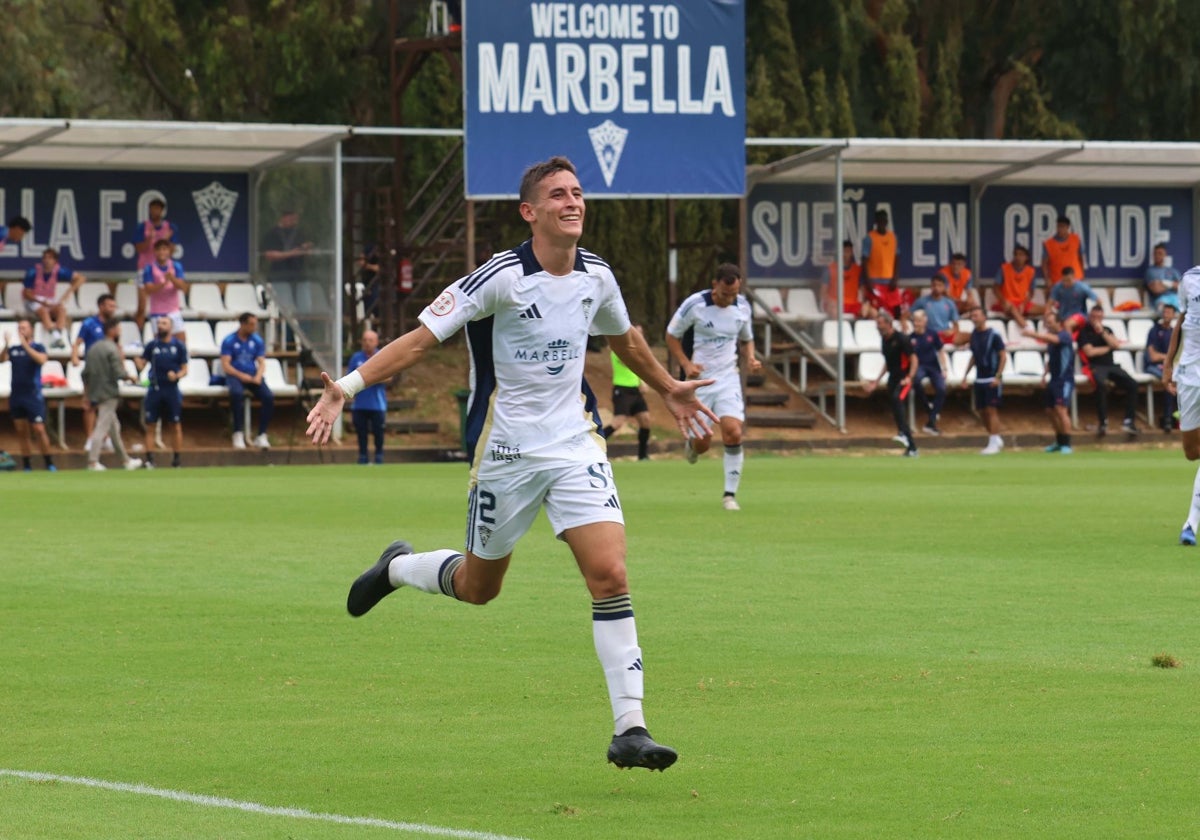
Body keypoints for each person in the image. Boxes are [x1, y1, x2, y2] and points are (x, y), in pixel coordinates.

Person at [304, 155, 716, 771]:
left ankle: (630, 727)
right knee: (478, 587)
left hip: (576, 444)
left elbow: (624, 335)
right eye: (558, 195)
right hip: (506, 452)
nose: (573, 202)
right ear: (530, 212)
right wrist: (348, 385)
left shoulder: (597, 275)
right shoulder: (498, 277)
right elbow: (420, 340)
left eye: (578, 193)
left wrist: (666, 386)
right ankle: (397, 569)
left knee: (611, 575)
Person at [666, 262, 761, 511]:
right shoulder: (694, 305)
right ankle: (693, 448)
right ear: (715, 285)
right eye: (725, 294)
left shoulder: (742, 306)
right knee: (703, 441)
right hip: (699, 382)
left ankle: (730, 495)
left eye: (734, 294)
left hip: (728, 378)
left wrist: (750, 357)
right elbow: (671, 335)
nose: (729, 299)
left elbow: (747, 339)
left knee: (733, 432)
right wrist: (686, 364)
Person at [1162, 265, 1200, 545]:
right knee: (1191, 451)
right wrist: (1167, 363)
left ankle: (1190, 525)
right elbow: (1182, 322)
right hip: (1188, 375)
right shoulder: (1189, 279)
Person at [81, 317, 143, 471]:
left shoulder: (93, 348)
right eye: (118, 328)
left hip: (96, 391)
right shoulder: (112, 348)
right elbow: (118, 372)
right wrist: (131, 376)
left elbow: (85, 373)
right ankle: (93, 461)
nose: (119, 331)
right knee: (102, 426)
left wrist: (87, 394)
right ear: (112, 330)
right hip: (109, 392)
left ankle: (125, 461)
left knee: (114, 427)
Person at [0, 318, 56, 472]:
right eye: (19, 328)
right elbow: (2, 359)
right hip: (17, 395)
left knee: (39, 429)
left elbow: (41, 360)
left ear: (31, 329)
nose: (21, 330)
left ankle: (49, 462)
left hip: (33, 395)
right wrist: (6, 344)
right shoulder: (14, 349)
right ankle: (27, 464)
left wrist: (26, 345)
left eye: (24, 327)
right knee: (21, 430)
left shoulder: (38, 347)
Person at [1076, 305, 1140, 437]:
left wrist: (1103, 333)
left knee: (1132, 384)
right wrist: (1108, 348)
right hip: (1095, 366)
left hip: (1111, 366)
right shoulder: (1084, 332)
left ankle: (1129, 421)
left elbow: (1116, 345)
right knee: (1101, 385)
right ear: (1089, 317)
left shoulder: (1107, 330)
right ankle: (1102, 422)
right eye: (1093, 317)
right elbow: (1090, 352)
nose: (1096, 320)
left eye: (1099, 317)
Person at [70, 292, 120, 452]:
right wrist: (75, 357)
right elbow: (77, 342)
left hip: (109, 370)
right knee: (90, 404)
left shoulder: (113, 325)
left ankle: (106, 437)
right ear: (101, 306)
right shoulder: (89, 323)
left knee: (108, 406)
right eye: (110, 305)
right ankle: (90, 438)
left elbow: (119, 347)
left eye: (114, 306)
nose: (113, 309)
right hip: (93, 370)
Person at [863, 311, 918, 457]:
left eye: (880, 324)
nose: (878, 327)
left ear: (889, 323)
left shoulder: (901, 339)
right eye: (877, 324)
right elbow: (888, 363)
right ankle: (912, 447)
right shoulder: (884, 340)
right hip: (893, 379)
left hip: (904, 378)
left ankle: (902, 433)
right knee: (896, 408)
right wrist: (877, 380)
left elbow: (913, 358)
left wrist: (910, 377)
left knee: (897, 400)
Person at [1023, 310, 1076, 454]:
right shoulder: (1053, 340)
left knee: (1061, 409)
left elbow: (1053, 340)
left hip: (1064, 380)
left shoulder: (1064, 336)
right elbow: (1050, 360)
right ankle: (1059, 441)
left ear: (1059, 323)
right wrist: (1044, 375)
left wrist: (1031, 334)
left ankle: (1067, 443)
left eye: (1050, 322)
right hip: (1053, 379)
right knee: (1049, 410)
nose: (1047, 325)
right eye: (1047, 323)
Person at [139, 315, 188, 468]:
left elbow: (185, 369)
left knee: (175, 424)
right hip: (155, 388)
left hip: (171, 389)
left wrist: (177, 375)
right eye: (159, 323)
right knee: (151, 424)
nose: (161, 326)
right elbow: (142, 365)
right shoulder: (152, 346)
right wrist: (136, 360)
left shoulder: (178, 346)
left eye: (164, 323)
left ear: (171, 327)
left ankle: (177, 459)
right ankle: (150, 459)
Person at [220, 312, 273, 450]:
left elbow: (261, 362)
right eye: (251, 324)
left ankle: (262, 434)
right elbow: (226, 365)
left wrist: (257, 376)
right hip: (235, 375)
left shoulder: (257, 340)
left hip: (252, 375)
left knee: (268, 396)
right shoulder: (229, 340)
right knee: (237, 394)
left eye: (255, 324)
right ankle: (238, 432)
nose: (254, 327)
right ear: (243, 324)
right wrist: (241, 376)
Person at [960, 306, 1007, 455]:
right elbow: (974, 356)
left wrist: (998, 376)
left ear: (984, 317)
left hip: (991, 377)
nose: (974, 318)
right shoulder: (974, 335)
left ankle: (993, 442)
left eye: (976, 315)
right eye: (972, 316)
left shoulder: (994, 335)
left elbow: (1003, 356)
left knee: (991, 409)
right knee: (981, 410)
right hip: (979, 377)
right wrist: (965, 375)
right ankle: (994, 437)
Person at [602, 324, 652, 461]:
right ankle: (595, 445)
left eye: (641, 333)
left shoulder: (637, 350)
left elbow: (638, 369)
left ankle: (643, 456)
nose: (639, 336)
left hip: (635, 390)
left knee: (645, 420)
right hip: (622, 389)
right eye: (637, 333)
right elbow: (628, 362)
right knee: (618, 422)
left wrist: (642, 382)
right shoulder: (618, 348)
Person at [130, 198, 178, 330]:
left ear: (162, 210)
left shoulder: (170, 227)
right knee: (142, 306)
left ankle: (165, 336)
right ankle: (138, 336)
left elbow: (172, 251)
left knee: (165, 306)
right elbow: (139, 249)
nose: (155, 211)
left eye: (158, 208)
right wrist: (149, 239)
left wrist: (165, 240)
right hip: (145, 268)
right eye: (153, 208)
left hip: (163, 270)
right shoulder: (143, 227)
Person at [23, 247, 85, 349]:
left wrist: (67, 293)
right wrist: (42, 302)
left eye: (50, 258)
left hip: (49, 300)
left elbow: (81, 278)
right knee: (43, 311)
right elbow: (27, 294)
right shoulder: (33, 272)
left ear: (55, 261)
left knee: (61, 309)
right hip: (34, 300)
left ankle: (58, 335)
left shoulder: (59, 270)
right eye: (45, 258)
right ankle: (56, 337)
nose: (47, 260)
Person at [347, 328, 387, 465]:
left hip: (377, 404)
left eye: (370, 340)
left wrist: (369, 378)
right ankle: (363, 457)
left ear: (376, 342)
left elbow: (389, 377)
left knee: (378, 432)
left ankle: (379, 456)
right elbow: (350, 377)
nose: (367, 343)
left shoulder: (382, 356)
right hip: (360, 404)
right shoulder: (356, 358)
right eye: (365, 340)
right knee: (361, 433)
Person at [908, 309, 948, 436]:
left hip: (933, 367)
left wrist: (945, 368)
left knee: (941, 389)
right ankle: (927, 407)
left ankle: (931, 421)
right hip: (919, 367)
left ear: (925, 321)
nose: (916, 323)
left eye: (919, 321)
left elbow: (941, 350)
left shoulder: (932, 334)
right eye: (915, 321)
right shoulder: (910, 338)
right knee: (916, 381)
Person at [140, 238, 189, 342]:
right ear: (155, 251)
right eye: (159, 249)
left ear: (169, 251)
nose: (162, 252)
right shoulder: (149, 268)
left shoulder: (176, 266)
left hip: (173, 310)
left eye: (164, 249)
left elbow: (183, 287)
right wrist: (162, 284)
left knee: (181, 341)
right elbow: (148, 289)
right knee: (160, 341)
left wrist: (172, 278)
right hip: (157, 312)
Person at [1145, 301, 1179, 432]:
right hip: (1153, 366)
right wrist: (1168, 357)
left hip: (1169, 366)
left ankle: (1180, 417)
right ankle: (1167, 419)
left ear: (1173, 315)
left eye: (1169, 312)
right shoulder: (1154, 331)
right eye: (1164, 312)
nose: (1166, 314)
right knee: (1169, 381)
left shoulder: (1174, 332)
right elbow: (1153, 356)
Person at [992, 245, 1043, 328]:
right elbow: (995, 288)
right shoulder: (1004, 268)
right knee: (1013, 309)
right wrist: (1003, 301)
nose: (1018, 257)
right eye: (1016, 254)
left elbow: (1031, 292)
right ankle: (1027, 329)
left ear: (1026, 257)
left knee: (1047, 310)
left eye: (1021, 255)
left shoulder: (1031, 271)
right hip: (1006, 303)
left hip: (1022, 303)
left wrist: (1023, 304)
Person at [821, 240, 874, 320]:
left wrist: (864, 304)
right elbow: (823, 292)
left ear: (852, 253)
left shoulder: (857, 269)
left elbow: (863, 290)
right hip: (835, 303)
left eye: (848, 251)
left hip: (852, 304)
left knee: (872, 312)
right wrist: (829, 301)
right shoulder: (830, 268)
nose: (845, 254)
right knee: (835, 311)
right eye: (843, 251)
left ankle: (860, 331)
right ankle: (837, 332)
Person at [262, 209, 312, 285]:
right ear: (283, 218)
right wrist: (291, 253)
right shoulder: (272, 234)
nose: (294, 222)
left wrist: (306, 249)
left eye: (296, 220)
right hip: (280, 276)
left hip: (300, 277)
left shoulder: (298, 233)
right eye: (291, 219)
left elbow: (307, 252)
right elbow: (269, 255)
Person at [909, 274, 960, 345]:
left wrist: (952, 330)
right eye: (934, 285)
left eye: (939, 285)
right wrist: (903, 321)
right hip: (928, 334)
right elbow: (908, 314)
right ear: (931, 286)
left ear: (944, 287)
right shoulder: (922, 301)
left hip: (944, 334)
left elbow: (956, 325)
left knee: (968, 336)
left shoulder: (949, 303)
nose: (936, 288)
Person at [1047, 267, 1098, 332]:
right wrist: (1047, 316)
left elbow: (1098, 301)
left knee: (1068, 324)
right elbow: (1049, 303)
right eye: (1064, 280)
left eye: (1068, 280)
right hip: (1063, 316)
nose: (1066, 283)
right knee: (1054, 325)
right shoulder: (1058, 287)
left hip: (1080, 315)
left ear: (1073, 277)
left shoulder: (1082, 287)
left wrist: (1094, 316)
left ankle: (1068, 342)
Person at [1042, 215, 1086, 287]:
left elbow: (1081, 258)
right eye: (1059, 226)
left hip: (1076, 279)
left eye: (1063, 226)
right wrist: (1047, 279)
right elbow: (1044, 264)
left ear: (1068, 227)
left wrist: (1083, 274)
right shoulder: (1048, 243)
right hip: (1057, 281)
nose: (1060, 229)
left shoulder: (1076, 239)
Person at [1144, 243, 1182, 310]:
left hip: (1174, 298)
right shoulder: (1150, 271)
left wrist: (1163, 283)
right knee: (1165, 309)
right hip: (1160, 300)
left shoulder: (1172, 271)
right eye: (1155, 253)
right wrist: (1172, 284)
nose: (1157, 256)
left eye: (1160, 253)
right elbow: (1156, 289)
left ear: (1165, 255)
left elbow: (1181, 287)